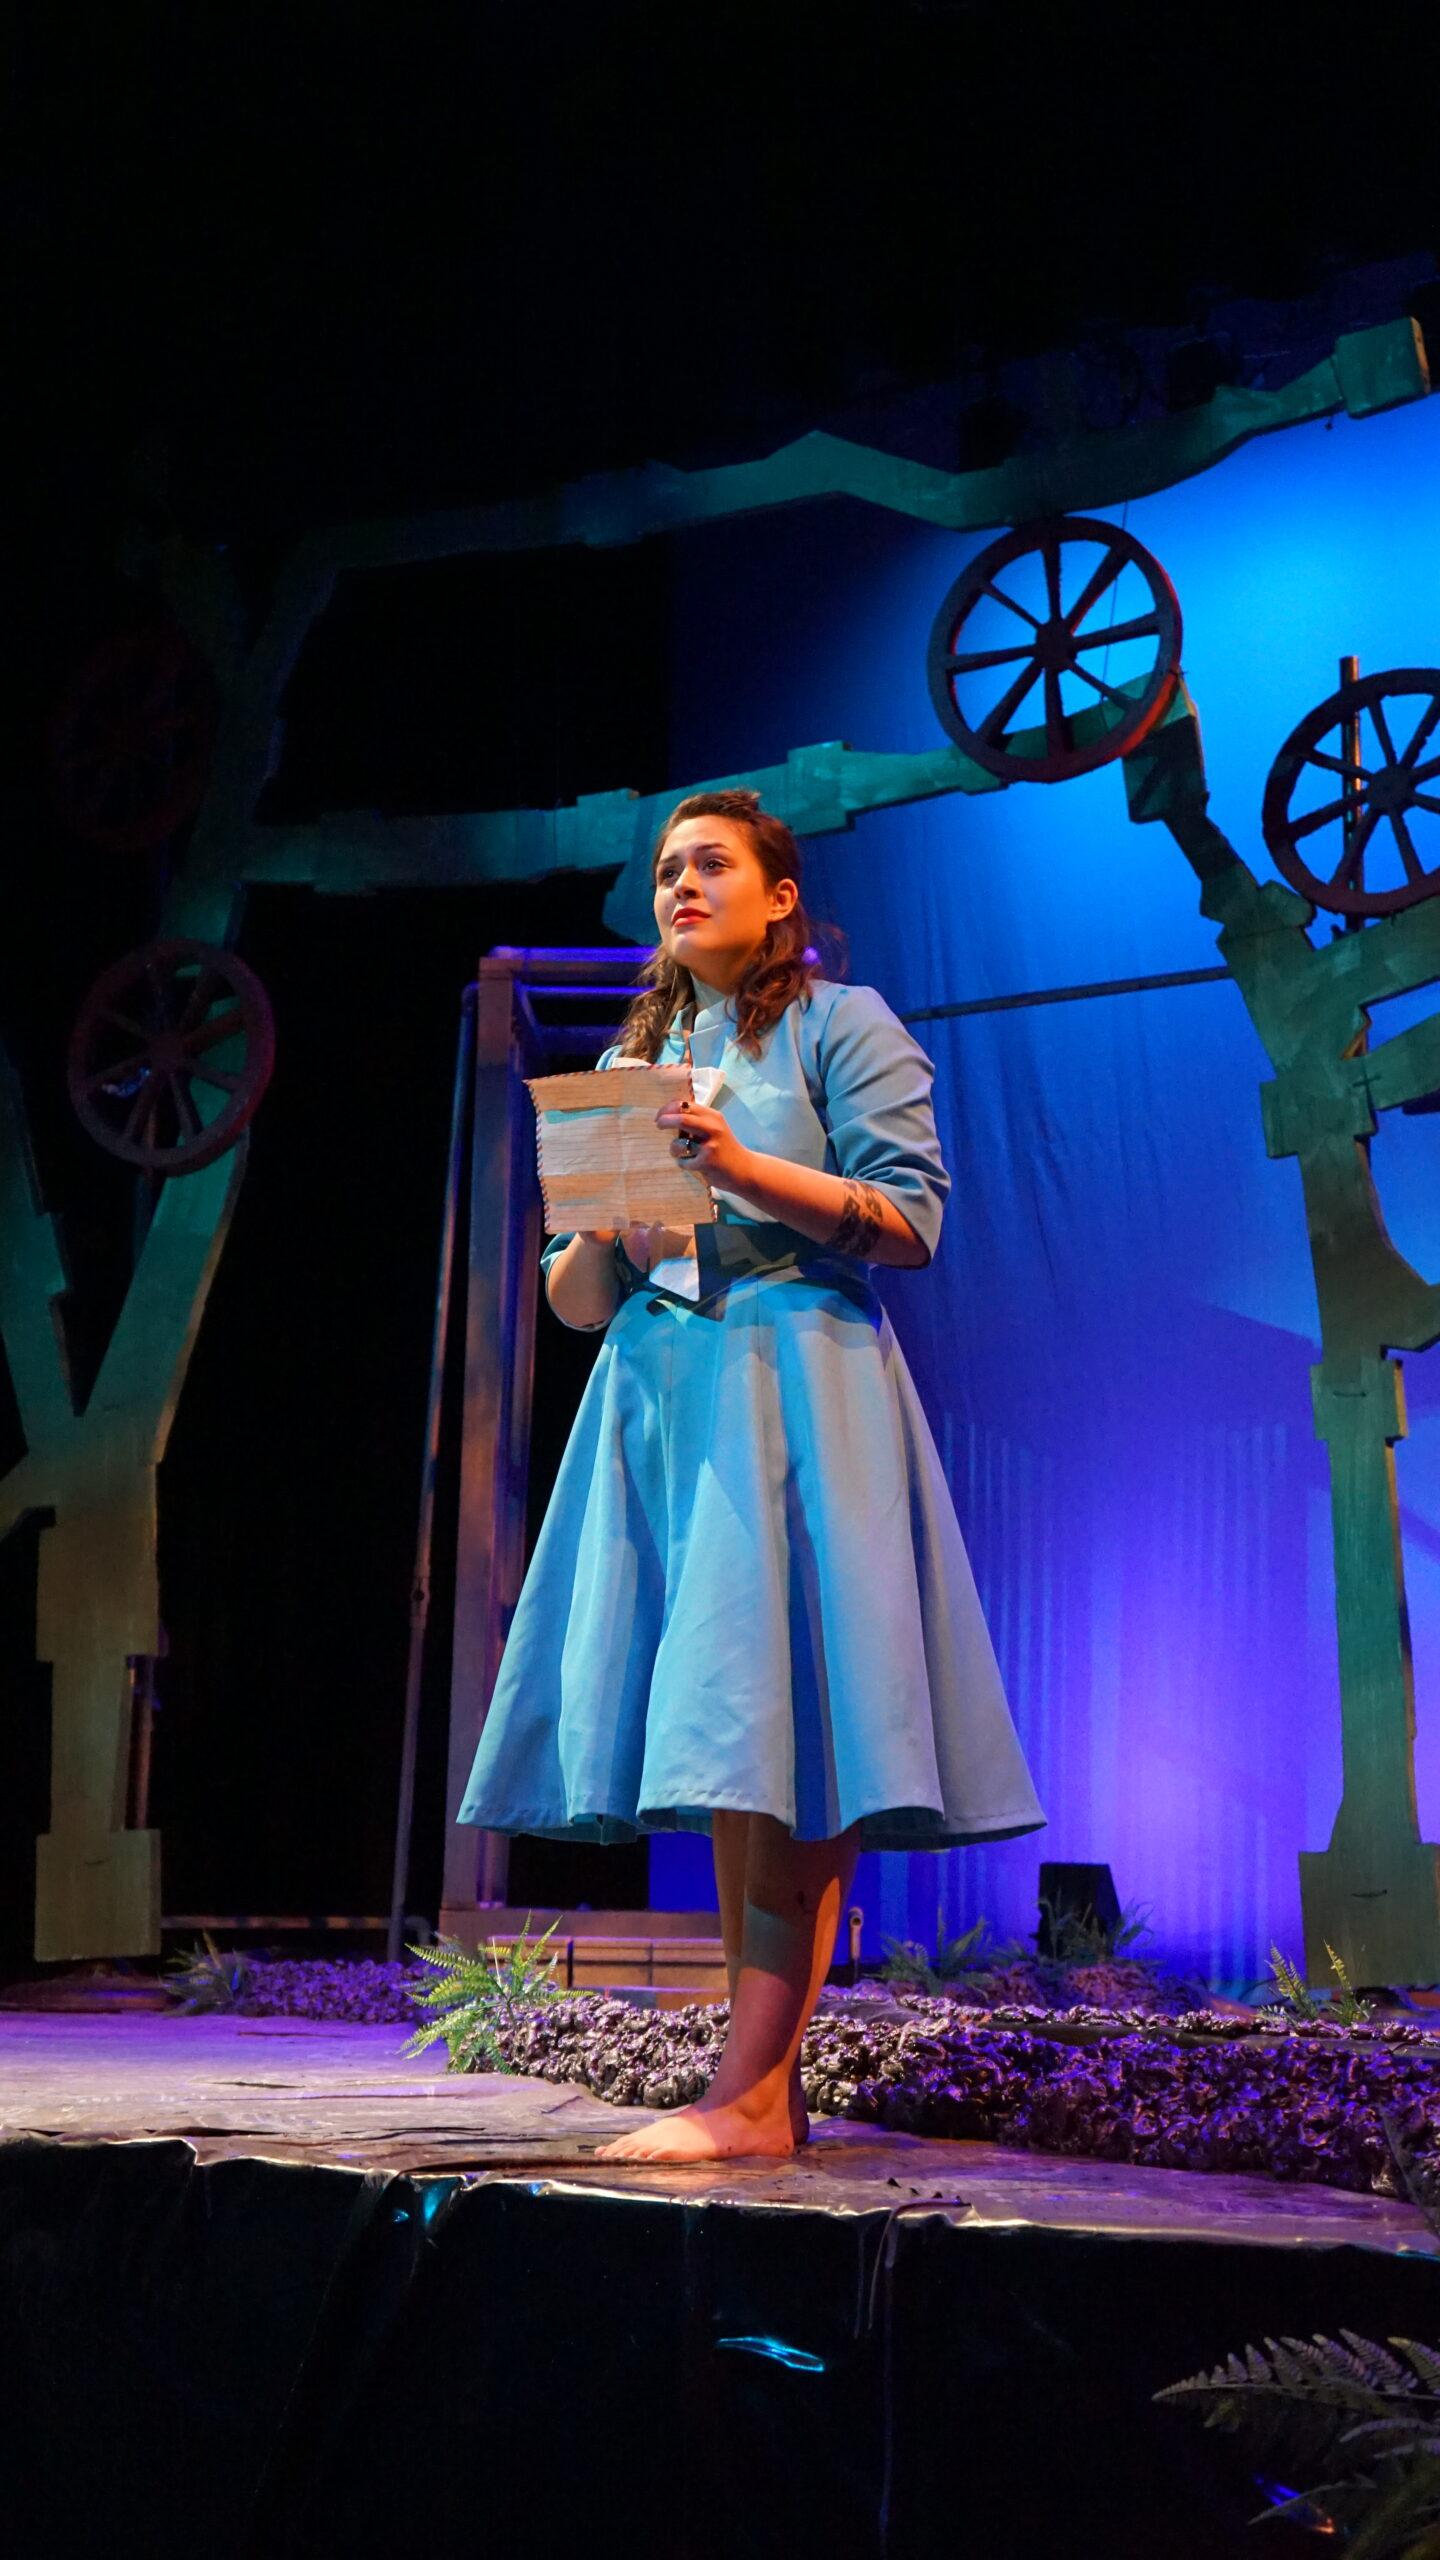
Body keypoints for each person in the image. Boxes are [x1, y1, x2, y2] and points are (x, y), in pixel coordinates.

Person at [458, 787, 1044, 2160]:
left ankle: (751, 2096)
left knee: (792, 1743)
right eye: (668, 868)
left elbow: (909, 1221)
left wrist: (738, 1165)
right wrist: (598, 1236)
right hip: (661, 1402)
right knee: (735, 1746)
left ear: (779, 896)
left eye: (710, 863)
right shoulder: (639, 1055)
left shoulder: (844, 1024)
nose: (680, 884)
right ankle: (757, 2093)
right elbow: (582, 1301)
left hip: (795, 1389)